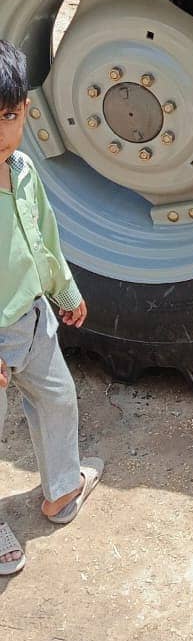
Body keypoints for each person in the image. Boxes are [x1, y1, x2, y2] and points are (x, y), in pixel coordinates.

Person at [0, 39, 103, 576]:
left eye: (8, 116)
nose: (0, 133)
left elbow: (45, 237)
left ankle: (62, 490)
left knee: (58, 400)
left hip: (33, 320)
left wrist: (63, 291)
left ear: (24, 112)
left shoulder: (21, 170)